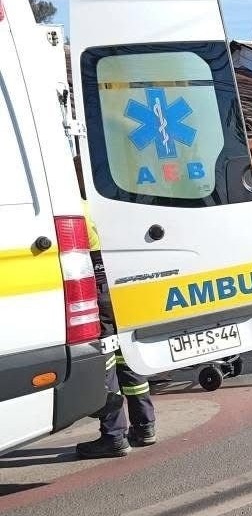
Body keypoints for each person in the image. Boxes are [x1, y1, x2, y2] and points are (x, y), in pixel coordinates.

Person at [72, 157, 156, 459]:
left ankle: (114, 435)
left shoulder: (76, 209)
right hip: (121, 286)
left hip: (96, 290)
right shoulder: (111, 205)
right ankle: (145, 426)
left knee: (105, 364)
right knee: (127, 357)